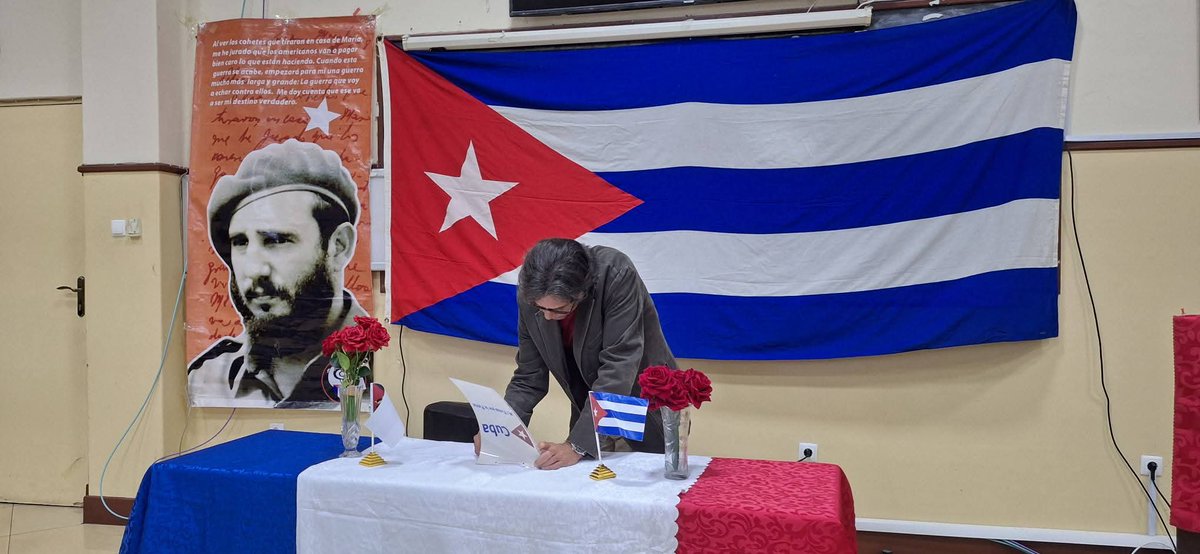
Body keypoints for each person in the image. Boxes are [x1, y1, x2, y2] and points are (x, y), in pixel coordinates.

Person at [187, 139, 367, 408]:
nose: (253, 269)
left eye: (277, 240)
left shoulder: (377, 360)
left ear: (338, 246)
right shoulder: (209, 376)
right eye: (240, 243)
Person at [475, 238, 677, 469]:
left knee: (640, 490)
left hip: (639, 402)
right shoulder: (532, 293)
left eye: (559, 310)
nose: (548, 316)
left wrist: (578, 445)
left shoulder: (615, 273)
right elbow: (528, 377)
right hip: (589, 409)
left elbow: (619, 364)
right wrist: (500, 429)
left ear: (582, 293)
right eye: (541, 309)